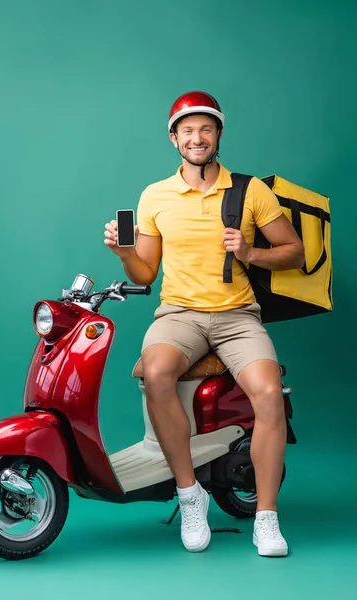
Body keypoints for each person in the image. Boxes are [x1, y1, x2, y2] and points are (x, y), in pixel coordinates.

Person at [104, 91, 304, 556]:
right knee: (155, 374)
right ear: (174, 138)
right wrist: (124, 253)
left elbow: (294, 251)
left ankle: (267, 519)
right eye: (188, 130)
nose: (197, 137)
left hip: (238, 316)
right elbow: (145, 274)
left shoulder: (249, 190)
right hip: (179, 314)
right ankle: (190, 495)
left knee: (270, 392)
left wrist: (251, 253)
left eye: (206, 129)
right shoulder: (155, 195)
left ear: (218, 136)